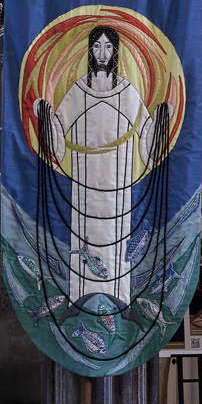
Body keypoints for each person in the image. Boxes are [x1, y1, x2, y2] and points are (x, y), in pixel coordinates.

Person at [34, 24, 165, 308]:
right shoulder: (78, 91)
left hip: (118, 182)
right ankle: (79, 297)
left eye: (108, 46)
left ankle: (120, 299)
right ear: (89, 51)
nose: (102, 53)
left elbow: (147, 136)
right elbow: (58, 132)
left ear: (115, 52)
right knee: (84, 236)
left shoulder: (128, 92)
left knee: (117, 238)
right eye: (97, 46)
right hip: (86, 180)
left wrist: (161, 120)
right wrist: (44, 116)